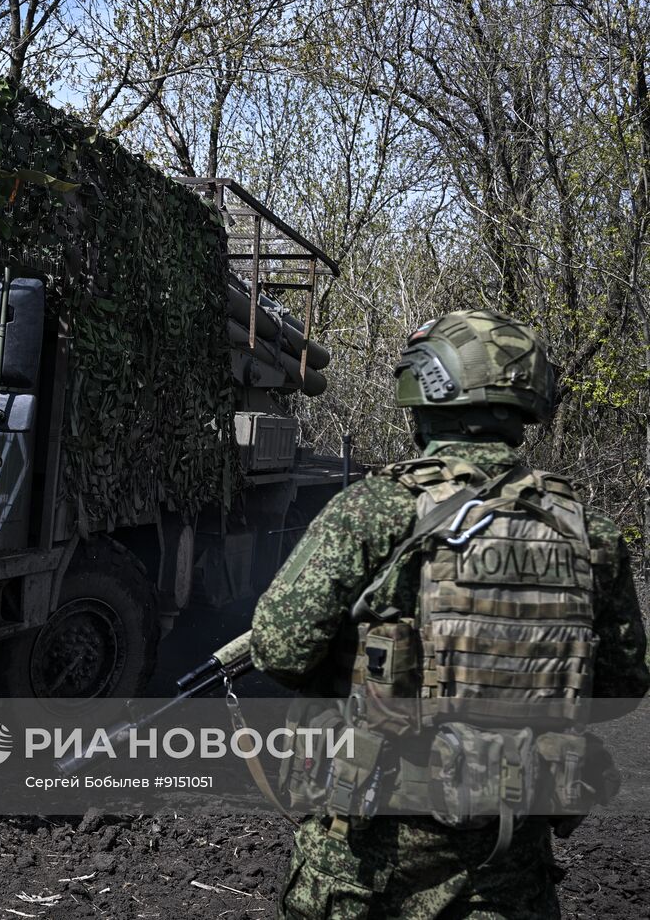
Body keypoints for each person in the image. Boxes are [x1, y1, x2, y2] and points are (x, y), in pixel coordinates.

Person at [251, 310, 650, 919]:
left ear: (425, 390)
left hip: (367, 861)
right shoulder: (584, 531)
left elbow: (279, 651)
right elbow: (622, 687)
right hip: (507, 860)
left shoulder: (373, 510)